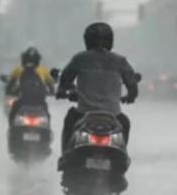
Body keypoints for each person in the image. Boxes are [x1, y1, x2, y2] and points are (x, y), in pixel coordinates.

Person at [56, 22, 138, 153]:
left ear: (87, 40)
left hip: (82, 114)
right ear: (110, 40)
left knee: (69, 120)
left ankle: (65, 156)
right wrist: (130, 97)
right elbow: (132, 85)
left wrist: (62, 91)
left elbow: (65, 79)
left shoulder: (80, 59)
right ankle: (122, 155)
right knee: (125, 123)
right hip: (113, 115)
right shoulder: (120, 61)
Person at [5, 47, 55, 125]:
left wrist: (10, 91)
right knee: (46, 114)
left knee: (13, 113)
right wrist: (52, 92)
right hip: (39, 102)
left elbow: (10, 84)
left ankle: (12, 129)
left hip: (23, 100)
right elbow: (51, 86)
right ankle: (47, 129)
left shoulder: (18, 70)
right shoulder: (44, 70)